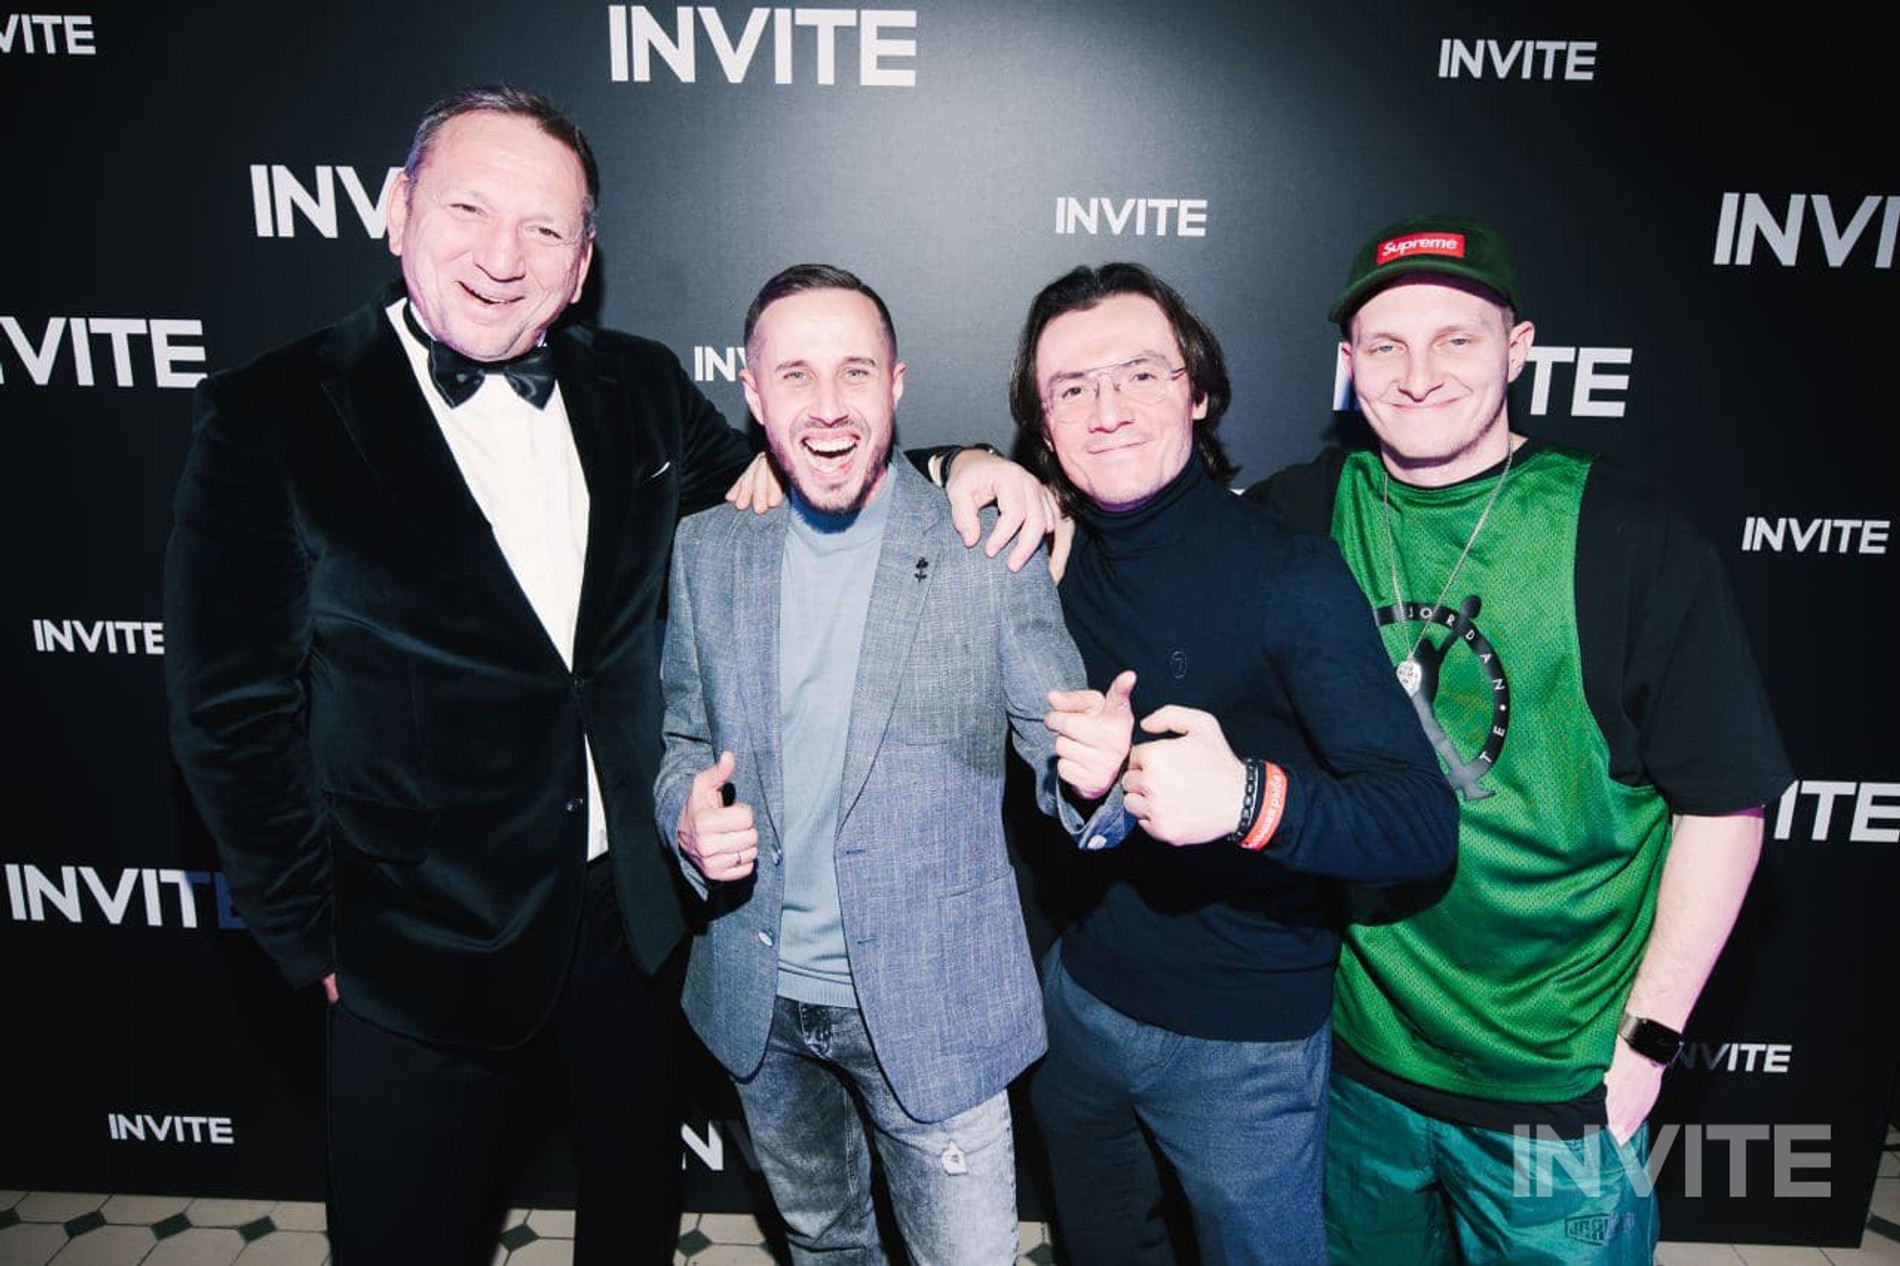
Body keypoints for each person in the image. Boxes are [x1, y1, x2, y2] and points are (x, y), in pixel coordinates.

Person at [162, 86, 1053, 1265]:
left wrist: (963, 460)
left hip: (632, 921)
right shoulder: (269, 415)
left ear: (582, 263)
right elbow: (230, 712)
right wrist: (308, 936)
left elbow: (804, 469)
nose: (502, 256)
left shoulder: (637, 388)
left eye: (544, 228)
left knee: (631, 1222)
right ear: (396, 211)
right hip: (415, 935)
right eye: (469, 209)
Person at [1249, 213, 1793, 1263]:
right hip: (1358, 1070)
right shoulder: (1299, 512)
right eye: (1386, 345)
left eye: (1456, 339)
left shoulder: (1625, 530)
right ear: (1348, 364)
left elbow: (1724, 803)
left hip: (1560, 1080)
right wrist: (972, 470)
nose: (1418, 376)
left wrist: (1648, 1044)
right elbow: (1133, 534)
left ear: (1519, 349)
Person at [655, 263, 1135, 1264]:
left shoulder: (987, 545)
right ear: (752, 394)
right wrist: (685, 819)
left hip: (935, 1008)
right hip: (758, 999)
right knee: (823, 1245)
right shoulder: (707, 549)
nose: (828, 405)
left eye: (855, 372)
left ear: (897, 384)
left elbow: (1063, 753)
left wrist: (1093, 778)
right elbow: (683, 740)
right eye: (795, 374)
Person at [1005, 262, 1460, 1265]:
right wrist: (960, 463)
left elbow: (1419, 822)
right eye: (1071, 389)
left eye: (1141, 374)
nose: (1107, 410)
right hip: (1081, 1008)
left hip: (1243, 1048)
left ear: (1199, 392)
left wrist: (1250, 800)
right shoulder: (1045, 558)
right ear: (1043, 426)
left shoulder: (1289, 573)